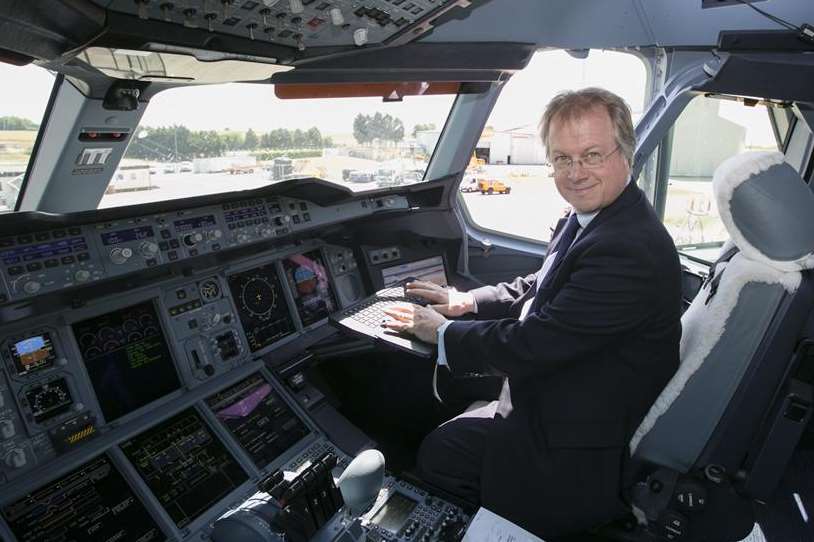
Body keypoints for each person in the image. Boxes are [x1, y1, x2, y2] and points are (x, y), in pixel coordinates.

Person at [383, 88, 682, 537]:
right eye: (562, 159)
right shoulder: (598, 219)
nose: (575, 173)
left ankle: (506, 528)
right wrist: (467, 301)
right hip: (574, 391)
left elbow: (536, 342)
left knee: (441, 455)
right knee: (443, 447)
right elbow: (540, 286)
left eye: (592, 155)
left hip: (577, 441)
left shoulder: (627, 249)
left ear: (626, 154)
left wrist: (444, 334)